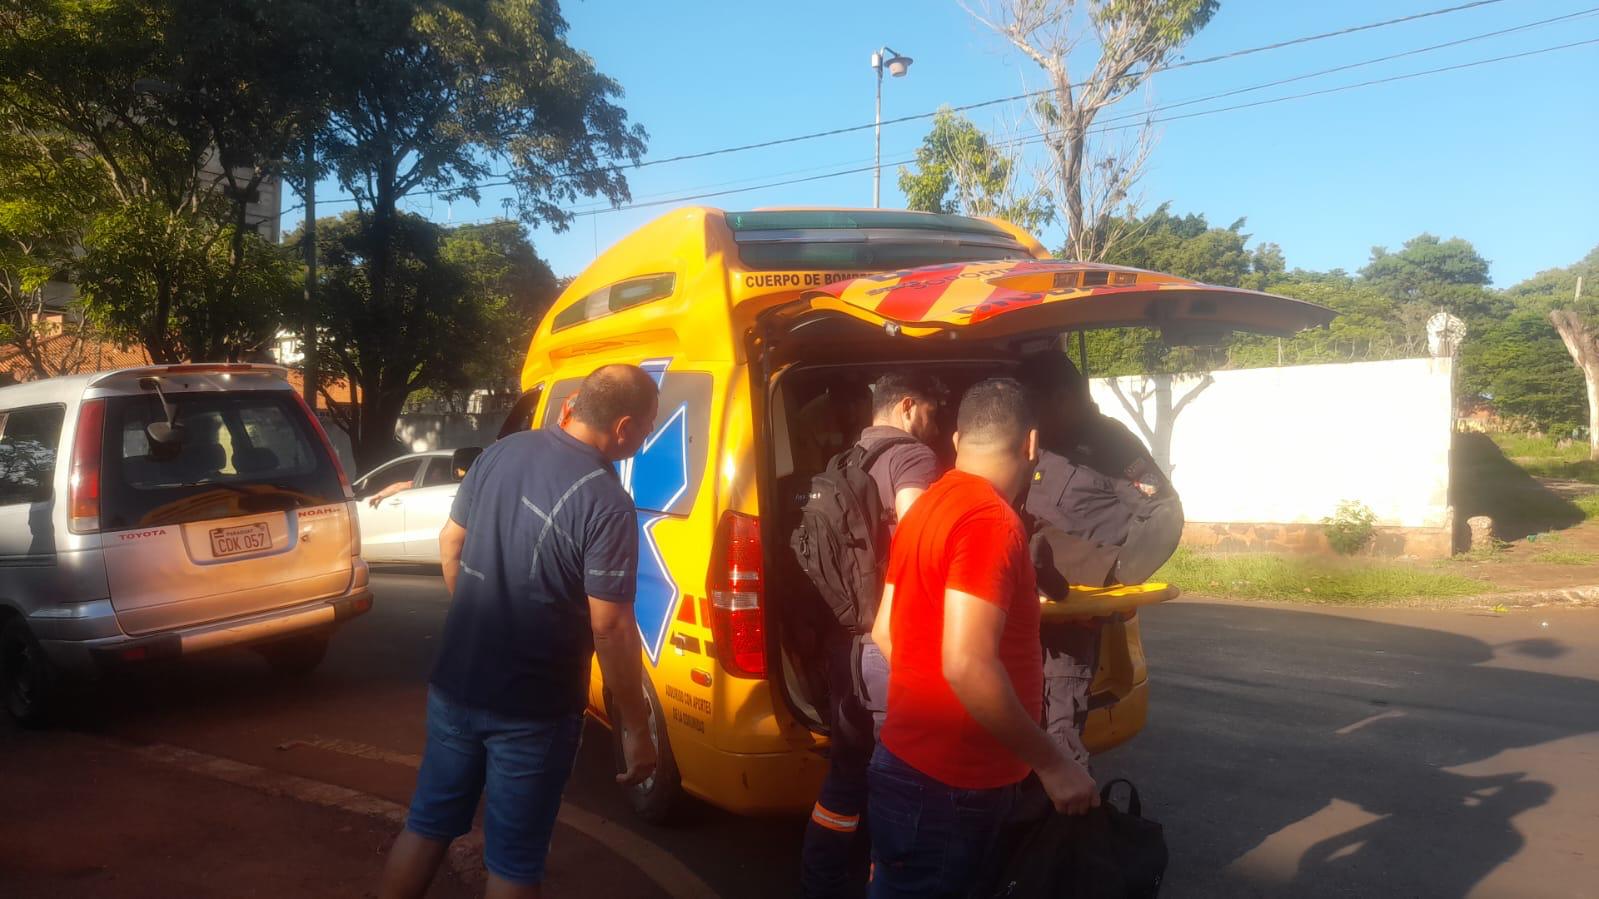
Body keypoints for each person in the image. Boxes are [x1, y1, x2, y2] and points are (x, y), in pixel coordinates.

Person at [379, 364, 661, 899]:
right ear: (622, 426)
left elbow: (449, 545)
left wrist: (480, 622)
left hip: (456, 684)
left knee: (427, 825)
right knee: (513, 862)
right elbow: (612, 624)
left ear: (573, 405)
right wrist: (636, 725)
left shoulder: (500, 452)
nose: (643, 439)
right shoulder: (607, 502)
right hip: (533, 707)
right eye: (646, 429)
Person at [868, 378, 1098, 899]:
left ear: (955, 442)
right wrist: (1053, 763)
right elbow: (968, 665)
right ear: (1032, 444)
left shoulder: (924, 507)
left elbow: (885, 630)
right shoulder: (992, 521)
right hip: (954, 788)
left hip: (902, 764)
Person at [801, 372, 945, 899]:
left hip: (846, 643)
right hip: (889, 647)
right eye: (932, 407)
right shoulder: (913, 458)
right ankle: (885, 885)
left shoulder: (848, 458)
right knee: (899, 783)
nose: (937, 420)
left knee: (847, 773)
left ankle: (819, 882)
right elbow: (918, 541)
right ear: (907, 406)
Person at [1017, 351, 1184, 766]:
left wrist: (1119, 575)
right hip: (1025, 611)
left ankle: (1067, 824)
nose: (1030, 420)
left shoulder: (1111, 444)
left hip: (1071, 620)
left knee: (1060, 741)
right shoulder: (1043, 444)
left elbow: (1163, 511)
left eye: (1035, 407)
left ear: (1062, 398)